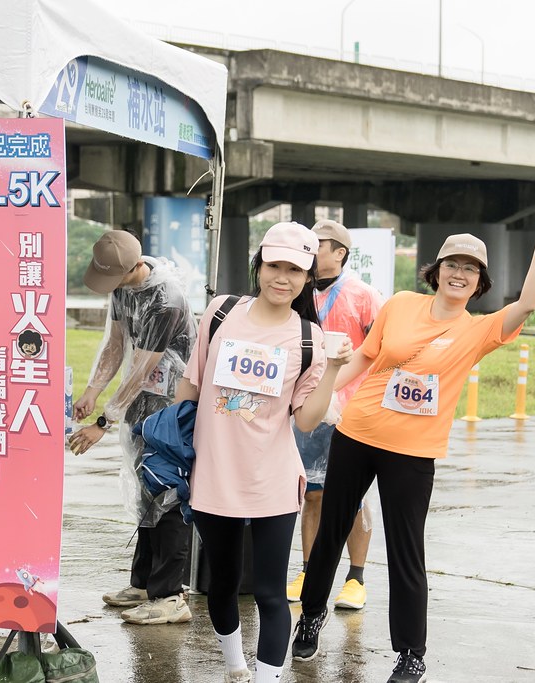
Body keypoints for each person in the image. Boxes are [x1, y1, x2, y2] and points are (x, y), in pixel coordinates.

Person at [291, 192, 535, 683]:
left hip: (413, 453)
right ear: (436, 270)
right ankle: (311, 617)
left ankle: (410, 653)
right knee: (332, 530)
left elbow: (527, 302)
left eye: (470, 269)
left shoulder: (478, 331)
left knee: (406, 551)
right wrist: (329, 386)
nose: (459, 274)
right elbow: (364, 358)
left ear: (480, 282)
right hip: (358, 431)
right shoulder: (399, 305)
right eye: (451, 265)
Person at [174, 221, 353, 683]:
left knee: (272, 594)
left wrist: (332, 368)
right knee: (223, 584)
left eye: (295, 270)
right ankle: (235, 668)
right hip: (214, 475)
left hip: (272, 479)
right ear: (258, 266)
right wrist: (175, 440)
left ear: (308, 276)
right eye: (274, 265)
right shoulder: (220, 313)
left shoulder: (309, 339)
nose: (283, 277)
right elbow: (191, 383)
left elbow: (307, 419)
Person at [68, 229, 198, 625]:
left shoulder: (167, 300)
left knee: (168, 491)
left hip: (172, 406)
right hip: (142, 403)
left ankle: (170, 596)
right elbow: (115, 345)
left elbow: (145, 368)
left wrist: (103, 422)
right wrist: (92, 391)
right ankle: (142, 583)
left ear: (131, 267)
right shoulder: (123, 291)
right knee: (144, 493)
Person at [287, 219, 383, 611]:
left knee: (352, 497)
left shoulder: (363, 296)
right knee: (311, 492)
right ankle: (309, 569)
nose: (311, 250)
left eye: (318, 244)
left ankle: (355, 578)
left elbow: (384, 350)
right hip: (309, 406)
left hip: (352, 412)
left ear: (340, 252)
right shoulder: (298, 291)